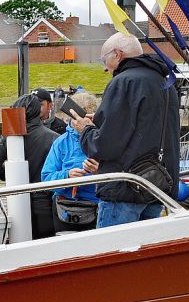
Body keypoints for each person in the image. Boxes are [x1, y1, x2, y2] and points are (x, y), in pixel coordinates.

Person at [70, 33, 180, 228]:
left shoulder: (124, 82)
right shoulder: (165, 83)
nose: (105, 68)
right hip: (157, 187)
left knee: (112, 254)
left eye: (104, 60)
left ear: (117, 55)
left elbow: (105, 146)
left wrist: (85, 129)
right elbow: (145, 125)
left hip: (124, 189)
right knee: (143, 256)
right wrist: (103, 118)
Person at [0, 94, 60, 239]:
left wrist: (14, 178)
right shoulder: (54, 138)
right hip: (45, 201)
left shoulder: (10, 137)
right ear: (38, 111)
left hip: (17, 201)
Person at [41, 92, 100, 233]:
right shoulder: (61, 143)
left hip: (97, 206)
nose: (79, 123)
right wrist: (67, 175)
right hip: (65, 207)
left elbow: (118, 179)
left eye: (85, 119)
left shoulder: (104, 140)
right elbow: (46, 177)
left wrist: (99, 171)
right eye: (76, 118)